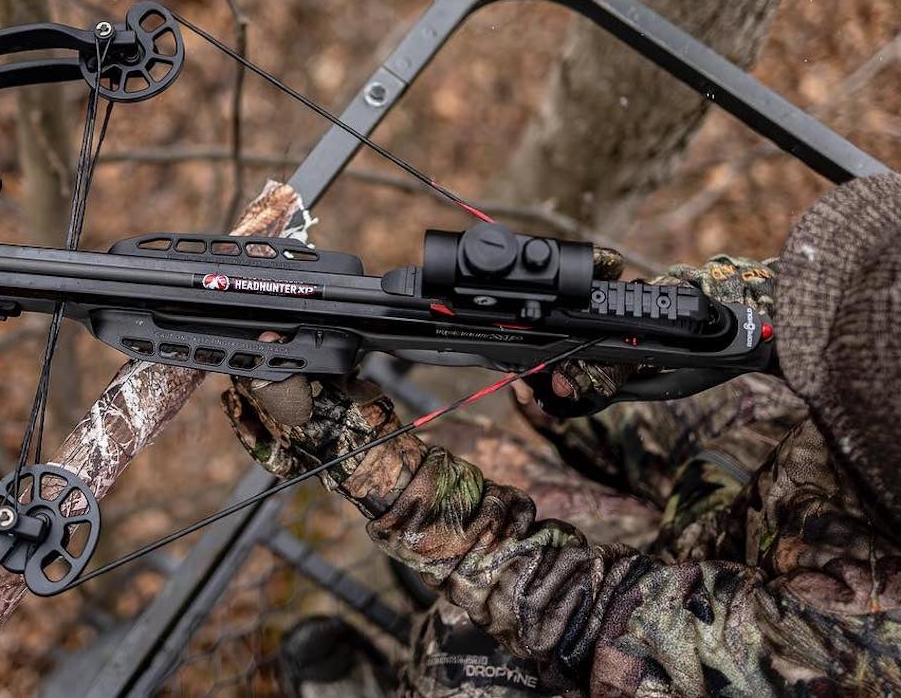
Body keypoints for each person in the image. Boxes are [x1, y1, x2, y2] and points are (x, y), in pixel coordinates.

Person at [223, 173, 901, 696]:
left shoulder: (869, 654)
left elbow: (589, 617)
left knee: (464, 646)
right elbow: (831, 285)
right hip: (764, 475)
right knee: (552, 387)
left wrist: (369, 462)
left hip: (742, 645)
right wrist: (649, 323)